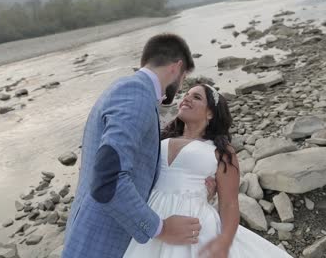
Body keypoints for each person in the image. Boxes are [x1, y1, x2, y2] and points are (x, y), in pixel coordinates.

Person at [62, 34, 216, 258]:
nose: (181, 85)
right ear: (177, 67)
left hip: (94, 235)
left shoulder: (126, 88)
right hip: (100, 241)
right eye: (184, 78)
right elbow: (109, 178)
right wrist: (160, 228)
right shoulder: (136, 94)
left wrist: (199, 190)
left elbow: (134, 170)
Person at [124, 84, 293, 258]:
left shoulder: (220, 151)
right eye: (186, 94)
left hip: (193, 223)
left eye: (196, 97)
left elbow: (229, 203)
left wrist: (225, 242)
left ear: (210, 113)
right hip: (153, 217)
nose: (186, 98)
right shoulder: (160, 138)